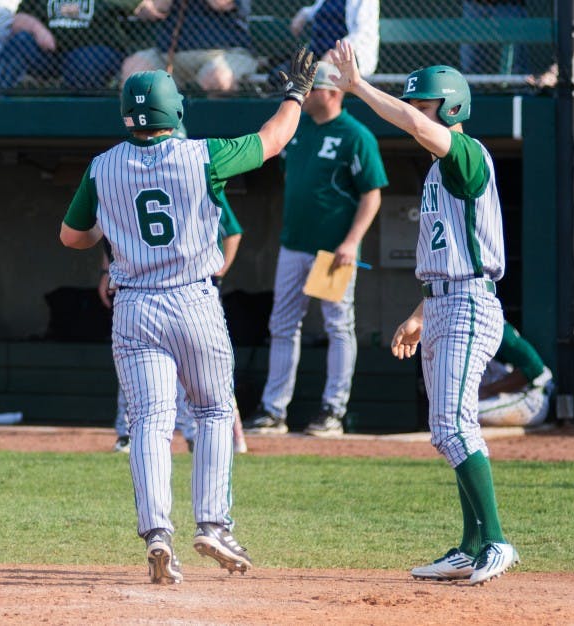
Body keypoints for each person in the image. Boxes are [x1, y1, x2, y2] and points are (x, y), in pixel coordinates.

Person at [60, 48, 317, 584]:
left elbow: (71, 237)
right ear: (174, 112)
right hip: (193, 299)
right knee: (214, 412)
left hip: (134, 305)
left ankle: (158, 535)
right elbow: (273, 139)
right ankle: (213, 525)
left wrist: (114, 226)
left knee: (149, 422)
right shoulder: (202, 155)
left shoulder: (102, 166)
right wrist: (295, 94)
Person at [330, 39, 519, 584]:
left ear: (452, 107)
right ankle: (469, 546)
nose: (420, 113)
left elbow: (414, 125)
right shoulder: (438, 173)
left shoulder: (466, 155)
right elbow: (451, 255)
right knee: (446, 429)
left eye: (428, 105)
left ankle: (497, 541)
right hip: (442, 302)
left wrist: (359, 87)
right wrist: (419, 311)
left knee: (455, 423)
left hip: (468, 304)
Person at [246, 61, 387, 437]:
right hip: (294, 245)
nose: (304, 95)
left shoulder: (355, 135)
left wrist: (351, 242)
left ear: (333, 92)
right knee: (282, 326)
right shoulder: (298, 128)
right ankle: (274, 410)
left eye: (313, 89)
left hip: (331, 252)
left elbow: (371, 195)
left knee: (338, 326)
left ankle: (332, 411)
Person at [105, 187, 248, 454]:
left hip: (190, 289)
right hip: (150, 290)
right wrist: (107, 268)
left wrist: (220, 272)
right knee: (145, 373)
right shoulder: (130, 178)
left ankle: (210, 435)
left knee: (203, 375)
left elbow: (233, 232)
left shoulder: (200, 179)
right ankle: (130, 432)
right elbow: (110, 232)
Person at [0, 0, 146, 94]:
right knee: (21, 41)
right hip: (51, 53)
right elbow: (19, 18)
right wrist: (38, 30)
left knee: (83, 65)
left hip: (95, 50)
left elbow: (140, 7)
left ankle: (79, 116)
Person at [119, 0, 258, 93]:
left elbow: (220, 3)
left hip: (226, 53)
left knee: (215, 78)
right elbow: (155, 7)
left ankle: (216, 133)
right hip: (168, 57)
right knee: (135, 72)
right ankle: (152, 134)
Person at [478, 321, 554, 427]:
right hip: (501, 396)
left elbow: (534, 368)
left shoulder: (497, 330)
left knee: (463, 415)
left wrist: (487, 390)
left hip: (529, 397)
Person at [289, 0, 379, 76]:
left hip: (348, 56)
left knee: (319, 77)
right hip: (318, 52)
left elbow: (363, 32)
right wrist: (303, 13)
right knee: (285, 73)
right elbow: (316, 9)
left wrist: (337, 52)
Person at [460, 0, 527, 75]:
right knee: (470, 63)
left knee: (516, 64)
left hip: (511, 5)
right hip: (474, 5)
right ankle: (470, 85)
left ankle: (518, 85)